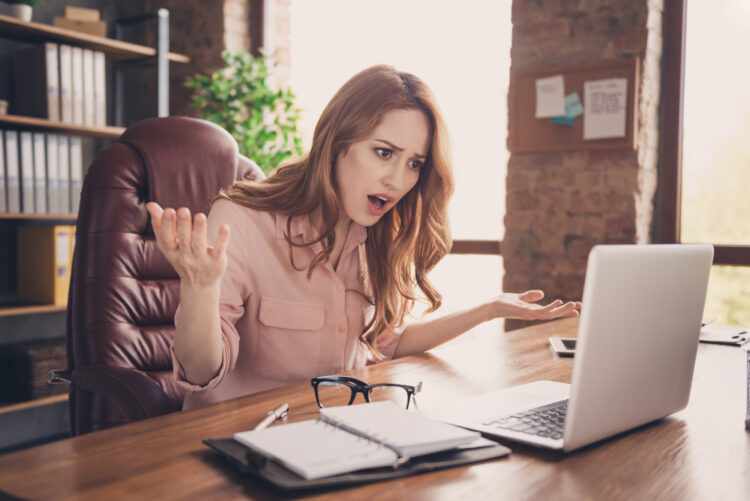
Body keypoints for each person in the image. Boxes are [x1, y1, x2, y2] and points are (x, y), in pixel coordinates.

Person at [146, 65, 581, 410]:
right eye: (384, 152)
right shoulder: (241, 220)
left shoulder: (373, 236)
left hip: (336, 442)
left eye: (415, 163)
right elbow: (200, 373)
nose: (398, 179)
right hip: (238, 451)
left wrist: (486, 310)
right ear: (337, 144)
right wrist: (200, 290)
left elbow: (385, 345)